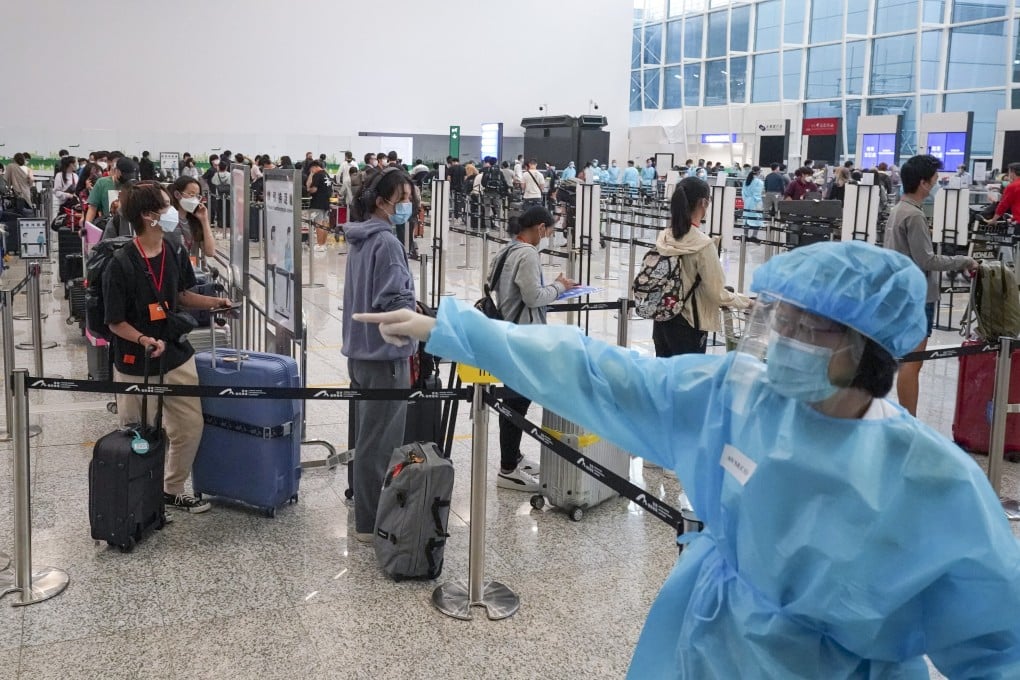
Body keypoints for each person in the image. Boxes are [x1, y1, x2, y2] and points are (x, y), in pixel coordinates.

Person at [355, 239, 1020, 678]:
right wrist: (459, 332)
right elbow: (600, 372)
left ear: (871, 348)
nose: (783, 337)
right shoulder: (735, 397)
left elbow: (995, 643)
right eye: (779, 318)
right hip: (709, 646)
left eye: (808, 327)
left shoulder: (931, 481)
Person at [103, 182, 231, 514]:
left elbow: (182, 295)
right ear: (148, 216)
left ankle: (172, 489)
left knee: (189, 426)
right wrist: (144, 340)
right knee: (139, 434)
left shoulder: (174, 249)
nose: (172, 211)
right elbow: (115, 322)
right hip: (136, 360)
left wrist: (217, 302)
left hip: (174, 352)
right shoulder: (121, 263)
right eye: (165, 205)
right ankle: (138, 497)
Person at [341, 167, 417, 543]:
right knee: (380, 444)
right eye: (402, 198)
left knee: (365, 438)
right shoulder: (387, 242)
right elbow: (394, 303)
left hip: (359, 353)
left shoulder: (360, 237)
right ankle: (370, 524)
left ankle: (363, 508)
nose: (408, 205)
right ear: (383, 201)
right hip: (384, 357)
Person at [486, 206, 576, 491]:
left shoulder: (508, 249)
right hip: (523, 337)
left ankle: (514, 456)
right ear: (540, 228)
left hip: (507, 331)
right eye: (549, 231)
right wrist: (559, 287)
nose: (549, 236)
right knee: (516, 403)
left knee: (516, 400)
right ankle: (507, 468)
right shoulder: (527, 254)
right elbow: (534, 297)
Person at [884, 154, 977, 417]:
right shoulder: (913, 216)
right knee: (912, 363)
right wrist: (964, 260)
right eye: (935, 179)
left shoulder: (897, 211)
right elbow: (927, 259)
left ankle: (905, 418)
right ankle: (909, 422)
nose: (937, 183)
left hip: (901, 293)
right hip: (917, 297)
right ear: (924, 183)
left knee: (908, 362)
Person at [653, 178, 751, 358]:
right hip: (689, 326)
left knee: (664, 380)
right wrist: (747, 302)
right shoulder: (703, 245)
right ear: (704, 203)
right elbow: (716, 293)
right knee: (687, 382)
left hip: (662, 320)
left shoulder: (665, 236)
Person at [169, 176, 215, 258]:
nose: (195, 199)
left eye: (197, 196)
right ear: (177, 194)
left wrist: (204, 220)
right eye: (191, 194)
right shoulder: (167, 219)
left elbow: (210, 252)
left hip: (192, 268)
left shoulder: (195, 221)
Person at [86, 157, 137, 225]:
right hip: (109, 226)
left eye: (130, 176)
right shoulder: (102, 183)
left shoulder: (134, 184)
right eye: (125, 175)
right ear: (117, 170)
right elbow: (92, 208)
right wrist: (87, 227)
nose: (127, 179)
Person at [305, 160, 332, 252]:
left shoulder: (317, 175)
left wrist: (308, 190)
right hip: (326, 202)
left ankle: (320, 245)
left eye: (311, 169)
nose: (311, 171)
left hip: (317, 202)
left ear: (314, 167)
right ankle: (323, 244)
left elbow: (314, 189)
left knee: (318, 224)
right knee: (324, 223)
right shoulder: (326, 174)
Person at [742, 166, 764, 231]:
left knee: (746, 218)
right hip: (755, 202)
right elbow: (757, 194)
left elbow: (743, 192)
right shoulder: (759, 182)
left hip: (747, 202)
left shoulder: (746, 181)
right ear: (758, 172)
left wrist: (745, 200)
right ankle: (754, 236)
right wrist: (759, 202)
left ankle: (745, 235)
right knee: (756, 218)